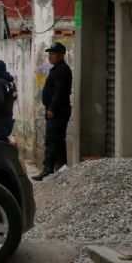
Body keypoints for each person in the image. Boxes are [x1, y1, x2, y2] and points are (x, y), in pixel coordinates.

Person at [33, 42, 73, 181]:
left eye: (53, 54)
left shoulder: (62, 70)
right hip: (55, 110)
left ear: (61, 56)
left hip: (58, 111)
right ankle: (61, 165)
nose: (50, 56)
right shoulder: (56, 69)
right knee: (58, 139)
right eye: (49, 54)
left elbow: (60, 92)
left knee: (52, 139)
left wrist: (52, 108)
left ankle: (48, 168)